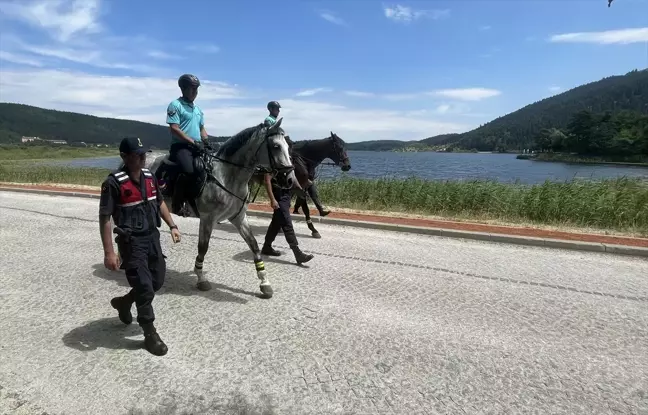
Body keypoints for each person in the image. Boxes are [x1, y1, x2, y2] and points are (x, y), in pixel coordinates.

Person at [99, 136, 181, 356]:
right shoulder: (113, 183)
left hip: (152, 238)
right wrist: (109, 253)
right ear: (125, 157)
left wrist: (172, 225)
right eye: (138, 155)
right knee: (144, 287)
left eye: (144, 153)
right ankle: (150, 334)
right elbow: (105, 218)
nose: (143, 158)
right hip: (131, 242)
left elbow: (160, 202)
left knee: (156, 281)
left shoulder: (149, 176)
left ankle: (125, 302)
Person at [166, 73, 210, 214]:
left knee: (210, 168)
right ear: (183, 88)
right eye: (192, 89)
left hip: (196, 146)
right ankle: (177, 204)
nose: (195, 92)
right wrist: (192, 141)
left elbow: (202, 128)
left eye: (196, 89)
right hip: (181, 147)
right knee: (188, 170)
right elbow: (174, 128)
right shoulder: (175, 105)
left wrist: (206, 141)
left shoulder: (197, 110)